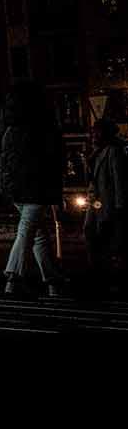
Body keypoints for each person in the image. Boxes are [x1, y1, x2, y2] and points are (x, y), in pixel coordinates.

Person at [0, 81, 67, 298]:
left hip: (16, 189)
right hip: (39, 188)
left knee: (37, 234)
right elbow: (55, 159)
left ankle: (53, 281)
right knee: (28, 231)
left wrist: (6, 186)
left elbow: (4, 160)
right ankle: (13, 275)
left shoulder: (9, 129)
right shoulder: (46, 128)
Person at [84, 119, 127, 297]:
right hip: (96, 203)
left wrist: (119, 206)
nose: (93, 135)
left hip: (107, 203)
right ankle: (98, 271)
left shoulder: (113, 152)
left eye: (97, 131)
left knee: (106, 239)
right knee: (90, 232)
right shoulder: (97, 151)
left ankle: (109, 277)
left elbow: (119, 180)